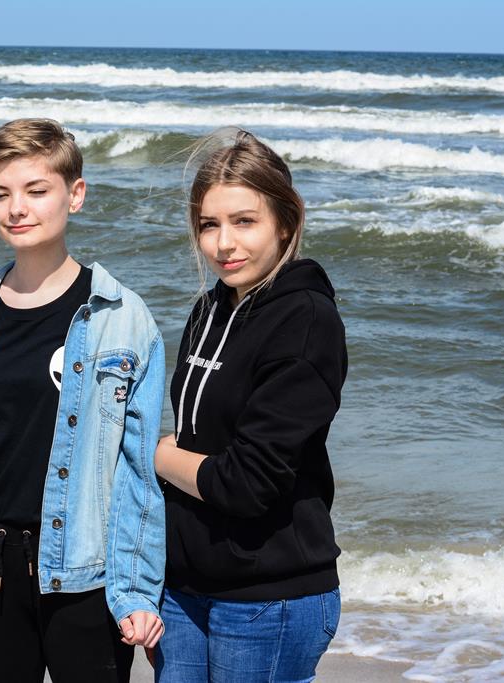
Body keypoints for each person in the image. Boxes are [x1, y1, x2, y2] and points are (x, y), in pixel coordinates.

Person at [0, 118, 166, 682]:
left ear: (75, 194)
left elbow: (137, 473)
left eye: (35, 190)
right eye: (0, 194)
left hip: (89, 575)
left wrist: (137, 590)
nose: (16, 208)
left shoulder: (123, 319)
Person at [153, 128, 347, 682]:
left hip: (270, 597)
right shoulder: (209, 309)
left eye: (244, 221)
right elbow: (203, 443)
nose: (224, 244)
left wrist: (156, 453)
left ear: (285, 221)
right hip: (183, 590)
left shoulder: (306, 320)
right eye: (208, 225)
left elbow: (246, 483)